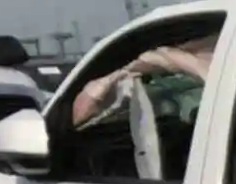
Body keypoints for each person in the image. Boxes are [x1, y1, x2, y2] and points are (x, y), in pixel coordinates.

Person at [70, 35, 218, 129]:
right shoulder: (156, 85)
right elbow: (81, 119)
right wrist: (108, 81)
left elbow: (219, 81)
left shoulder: (226, 64)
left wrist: (173, 57)